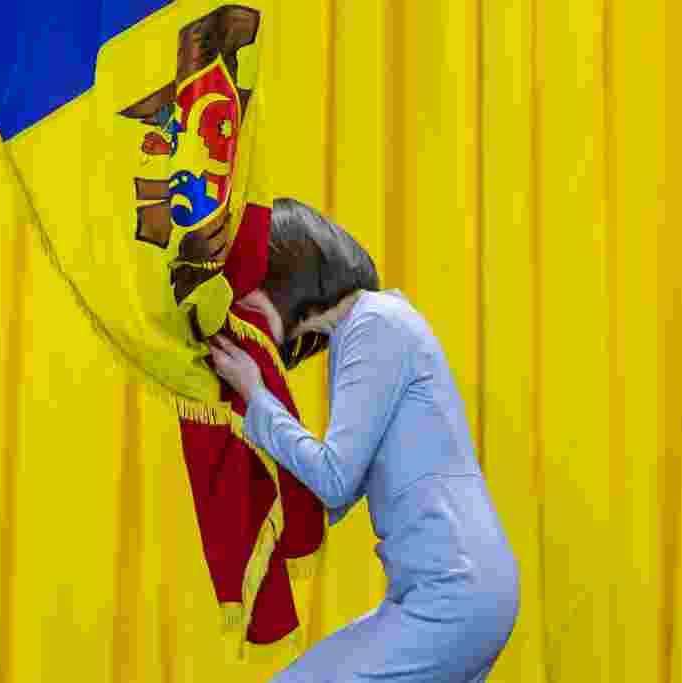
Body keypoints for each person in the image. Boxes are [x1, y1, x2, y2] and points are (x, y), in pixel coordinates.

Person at [207, 198, 520, 682]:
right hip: (451, 590)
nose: (241, 303)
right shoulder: (362, 331)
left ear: (285, 273)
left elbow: (333, 479)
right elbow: (340, 491)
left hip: (454, 591)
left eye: (248, 283)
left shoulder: (376, 324)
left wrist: (256, 395)